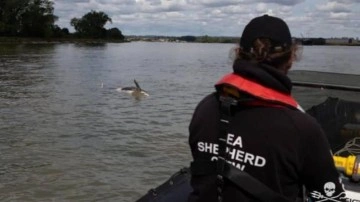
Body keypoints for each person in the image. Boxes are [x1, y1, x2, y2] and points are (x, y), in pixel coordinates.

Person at [188, 15, 346, 202]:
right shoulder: (302, 129)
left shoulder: (205, 109)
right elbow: (331, 198)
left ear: (238, 53)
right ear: (291, 58)